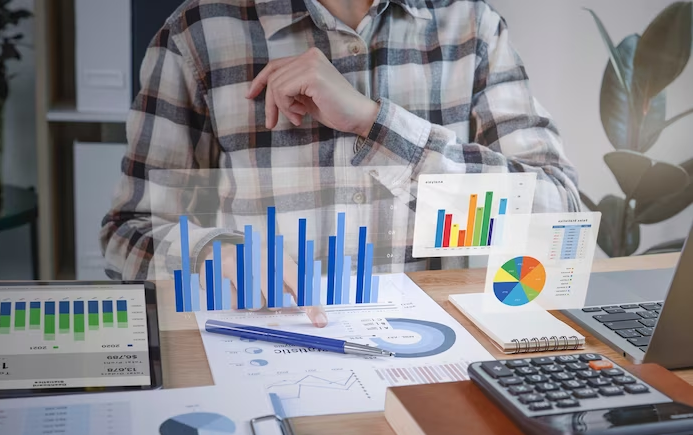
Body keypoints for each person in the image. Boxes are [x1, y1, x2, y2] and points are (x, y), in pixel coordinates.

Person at [101, 0, 580, 326]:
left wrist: (373, 124)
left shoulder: (471, 26)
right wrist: (213, 254)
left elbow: (559, 217)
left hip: (437, 363)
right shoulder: (198, 33)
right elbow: (128, 234)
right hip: (269, 361)